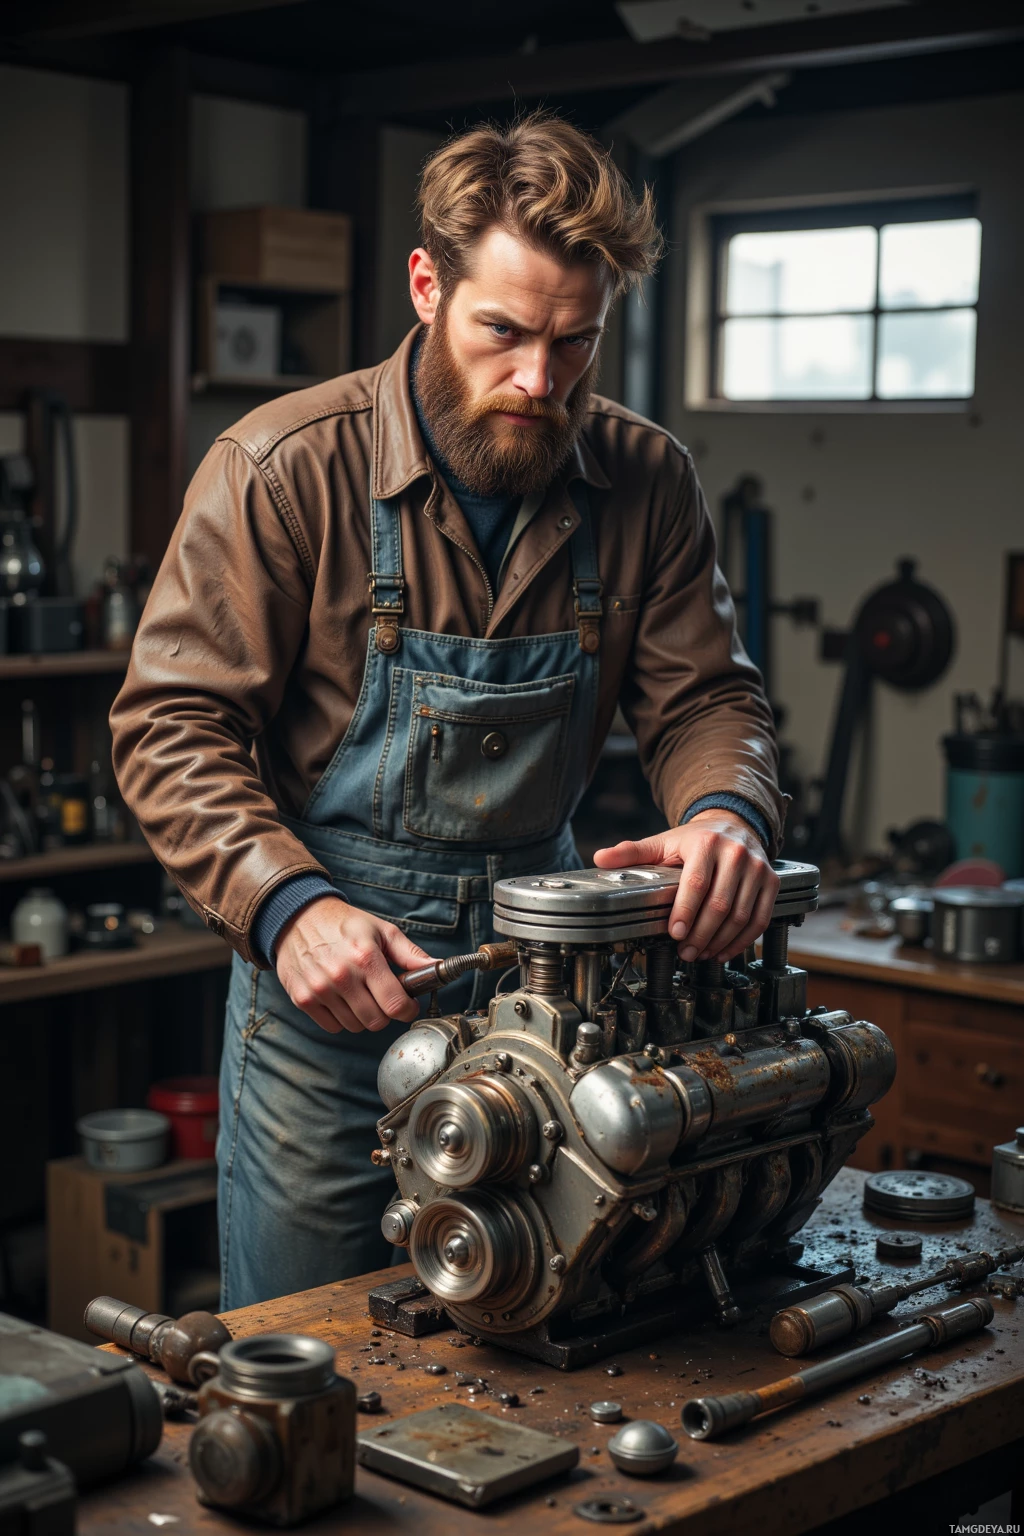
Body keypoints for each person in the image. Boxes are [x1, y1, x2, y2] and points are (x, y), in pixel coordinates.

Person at [110, 112, 785, 1310]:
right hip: (329, 1013)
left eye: (574, 344)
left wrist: (726, 811)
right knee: (310, 1361)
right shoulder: (281, 469)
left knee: (536, 1344)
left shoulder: (647, 480)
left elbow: (706, 699)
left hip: (553, 1006)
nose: (539, 380)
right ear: (427, 286)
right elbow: (172, 729)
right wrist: (288, 906)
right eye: (504, 332)